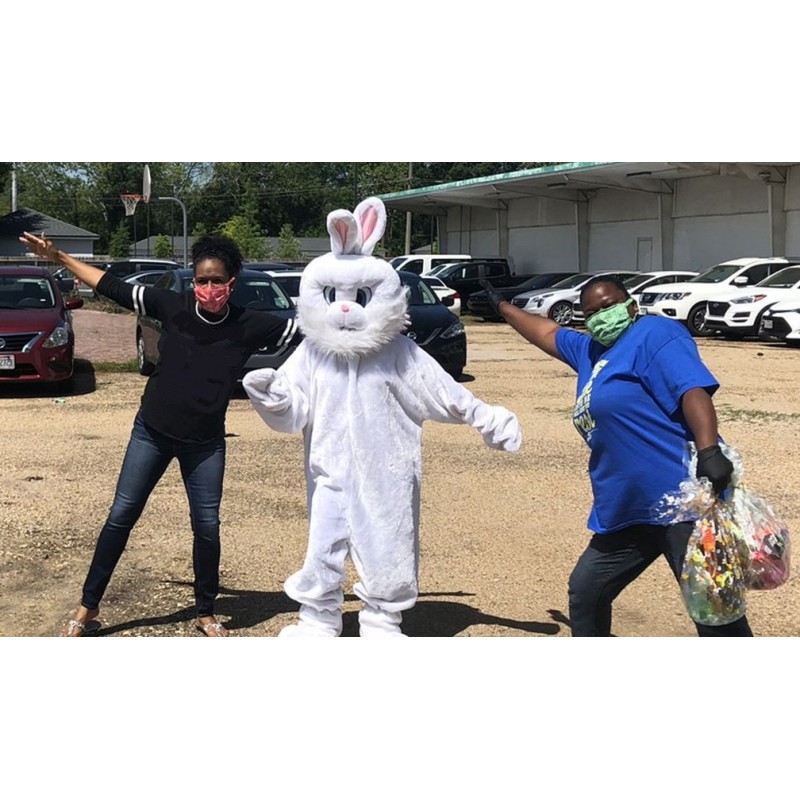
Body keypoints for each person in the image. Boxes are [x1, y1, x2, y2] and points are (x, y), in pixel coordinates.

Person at [20, 231, 291, 637]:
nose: (209, 288)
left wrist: (380, 330)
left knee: (207, 526)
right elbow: (109, 285)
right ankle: (88, 606)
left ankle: (205, 611)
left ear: (232, 281)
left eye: (218, 280)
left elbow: (319, 336)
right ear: (193, 281)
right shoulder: (172, 305)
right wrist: (57, 255)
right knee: (121, 516)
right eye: (202, 280)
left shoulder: (250, 324)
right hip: (152, 432)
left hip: (205, 443)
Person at [480, 275, 753, 637]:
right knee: (587, 591)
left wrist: (709, 450)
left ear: (631, 305)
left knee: (715, 611)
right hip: (630, 509)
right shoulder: (590, 351)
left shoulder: (654, 333)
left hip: (685, 501)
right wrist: (503, 308)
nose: (599, 316)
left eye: (607, 306)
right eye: (590, 312)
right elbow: (545, 332)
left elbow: (691, 387)